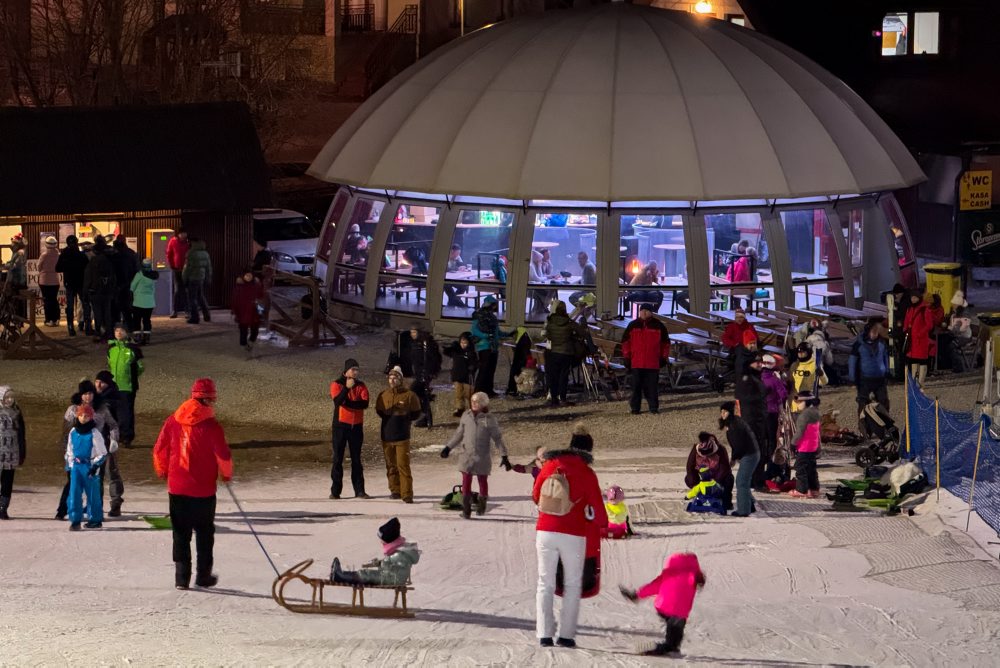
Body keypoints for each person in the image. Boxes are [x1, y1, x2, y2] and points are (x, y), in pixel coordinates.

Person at [152, 378, 233, 589]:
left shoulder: (172, 421)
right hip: (203, 489)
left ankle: (181, 578)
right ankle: (203, 575)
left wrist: (162, 469)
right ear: (206, 399)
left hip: (177, 486)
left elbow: (160, 448)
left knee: (180, 532)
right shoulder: (212, 427)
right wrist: (226, 475)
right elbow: (223, 455)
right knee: (204, 532)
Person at [532, 427, 607, 648]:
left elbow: (536, 495)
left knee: (544, 582)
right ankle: (566, 635)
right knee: (572, 584)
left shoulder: (549, 465)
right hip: (573, 533)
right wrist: (601, 524)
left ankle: (544, 634)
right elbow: (599, 512)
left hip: (545, 530)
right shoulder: (586, 472)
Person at [619, 553, 706, 656]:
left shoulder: (668, 574)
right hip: (680, 611)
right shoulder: (693, 575)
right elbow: (699, 579)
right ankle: (665, 647)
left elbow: (653, 586)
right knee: (676, 630)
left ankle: (671, 647)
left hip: (663, 608)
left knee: (674, 628)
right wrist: (700, 580)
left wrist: (637, 595)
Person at [56, 380, 120, 520]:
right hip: (77, 451)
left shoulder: (101, 408)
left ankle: (95, 509)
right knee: (72, 481)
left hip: (95, 451)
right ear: (80, 395)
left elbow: (113, 425)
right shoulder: (73, 409)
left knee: (96, 481)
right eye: (85, 394)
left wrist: (114, 439)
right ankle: (63, 509)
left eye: (90, 393)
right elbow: (66, 432)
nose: (88, 397)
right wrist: (66, 452)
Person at [441, 392, 510, 518]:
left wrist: (504, 455)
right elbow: (459, 434)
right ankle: (466, 509)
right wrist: (448, 447)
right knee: (466, 481)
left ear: (483, 404)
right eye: (472, 401)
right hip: (466, 455)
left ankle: (481, 505)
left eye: (477, 401)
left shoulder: (489, 419)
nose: (474, 403)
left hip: (482, 456)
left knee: (482, 480)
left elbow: (497, 438)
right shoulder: (466, 416)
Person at [375, 367, 422, 503]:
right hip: (387, 435)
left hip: (402, 436)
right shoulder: (383, 395)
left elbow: (416, 413)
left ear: (400, 379)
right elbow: (380, 412)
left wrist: (404, 419)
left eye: (395, 377)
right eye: (390, 378)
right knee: (390, 465)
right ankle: (395, 489)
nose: (392, 380)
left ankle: (406, 493)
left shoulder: (409, 395)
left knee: (403, 465)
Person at [330, 517, 420, 585]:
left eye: (382, 539)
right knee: (365, 573)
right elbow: (393, 565)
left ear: (389, 540)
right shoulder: (399, 552)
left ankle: (340, 577)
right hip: (391, 576)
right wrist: (380, 562)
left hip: (393, 579)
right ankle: (342, 574)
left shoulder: (400, 554)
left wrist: (383, 563)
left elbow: (395, 569)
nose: (380, 541)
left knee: (366, 574)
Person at [329, 358, 370, 500]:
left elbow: (364, 404)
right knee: (337, 459)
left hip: (356, 427)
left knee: (357, 460)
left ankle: (360, 490)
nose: (356, 372)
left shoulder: (361, 385)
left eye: (357, 369)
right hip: (340, 426)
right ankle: (335, 491)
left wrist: (349, 403)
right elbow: (338, 402)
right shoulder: (337, 384)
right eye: (353, 369)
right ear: (346, 371)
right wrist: (347, 388)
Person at [621, 303, 671, 415]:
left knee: (652, 387)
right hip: (637, 362)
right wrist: (627, 357)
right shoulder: (633, 325)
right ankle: (635, 408)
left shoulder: (659, 325)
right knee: (636, 387)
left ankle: (653, 408)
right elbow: (625, 342)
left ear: (651, 312)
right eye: (642, 310)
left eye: (646, 310)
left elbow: (666, 343)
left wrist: (664, 357)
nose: (644, 312)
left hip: (652, 362)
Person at [65, 404, 107, 531]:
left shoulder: (94, 433)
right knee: (74, 493)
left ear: (91, 417)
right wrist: (71, 464)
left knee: (93, 494)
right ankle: (75, 519)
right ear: (78, 416)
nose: (84, 418)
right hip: (77, 466)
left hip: (90, 466)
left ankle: (95, 519)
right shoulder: (73, 432)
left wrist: (95, 466)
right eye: (82, 415)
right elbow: (69, 450)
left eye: (87, 416)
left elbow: (102, 453)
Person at [734, 353, 769, 488]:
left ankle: (757, 479)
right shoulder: (746, 379)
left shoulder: (755, 377)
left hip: (758, 419)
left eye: (761, 362)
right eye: (757, 362)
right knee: (754, 451)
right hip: (751, 421)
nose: (760, 364)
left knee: (760, 450)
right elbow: (744, 399)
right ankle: (754, 480)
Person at [106, 322, 143, 448]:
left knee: (126, 413)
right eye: (116, 330)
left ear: (127, 333)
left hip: (127, 386)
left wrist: (130, 378)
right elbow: (109, 365)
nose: (119, 333)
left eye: (121, 330)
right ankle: (115, 436)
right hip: (113, 387)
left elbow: (140, 367)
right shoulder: (111, 349)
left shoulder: (133, 349)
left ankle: (126, 437)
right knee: (112, 412)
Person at [719, 401, 758, 517]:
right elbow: (737, 445)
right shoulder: (733, 423)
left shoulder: (734, 425)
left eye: (725, 411)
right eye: (721, 412)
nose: (722, 414)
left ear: (730, 412)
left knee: (741, 482)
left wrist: (733, 459)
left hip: (749, 454)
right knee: (744, 480)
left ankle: (744, 510)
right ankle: (750, 504)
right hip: (749, 453)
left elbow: (739, 445)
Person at [849, 321, 890, 431]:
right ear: (868, 332)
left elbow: (885, 357)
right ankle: (864, 428)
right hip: (864, 379)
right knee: (863, 404)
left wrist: (887, 371)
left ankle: (884, 426)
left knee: (883, 403)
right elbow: (853, 361)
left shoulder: (881, 343)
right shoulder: (859, 344)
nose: (875, 334)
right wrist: (852, 378)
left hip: (880, 379)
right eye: (873, 332)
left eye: (876, 332)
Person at [470, 296, 513, 396]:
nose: (495, 307)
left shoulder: (492, 317)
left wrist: (508, 334)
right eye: (493, 304)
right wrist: (486, 335)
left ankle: (488, 390)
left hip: (493, 347)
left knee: (491, 370)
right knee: (484, 370)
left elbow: (497, 332)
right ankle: (478, 391)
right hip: (484, 346)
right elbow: (475, 331)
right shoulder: (479, 316)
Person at [542, 300, 582, 408]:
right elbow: (581, 332)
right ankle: (563, 399)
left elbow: (546, 334)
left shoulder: (550, 321)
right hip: (566, 353)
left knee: (553, 376)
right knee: (563, 376)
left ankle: (554, 399)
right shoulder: (569, 322)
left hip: (553, 352)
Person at [402, 324, 441, 428]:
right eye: (411, 332)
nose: (412, 334)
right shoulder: (415, 343)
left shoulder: (426, 343)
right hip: (419, 373)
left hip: (425, 374)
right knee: (423, 395)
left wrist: (429, 372)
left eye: (414, 332)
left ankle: (426, 418)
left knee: (416, 392)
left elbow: (434, 359)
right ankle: (426, 419)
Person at [684, 432, 734, 510]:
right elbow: (690, 467)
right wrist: (694, 482)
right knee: (689, 479)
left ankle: (725, 502)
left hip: (717, 479)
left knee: (729, 479)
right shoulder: (695, 450)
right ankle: (701, 495)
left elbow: (725, 468)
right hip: (702, 478)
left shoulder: (720, 450)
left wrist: (716, 482)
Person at [82, 236, 117, 341]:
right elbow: (113, 277)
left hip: (95, 291)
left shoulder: (92, 263)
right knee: (107, 312)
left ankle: (98, 333)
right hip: (107, 291)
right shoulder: (109, 261)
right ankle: (109, 332)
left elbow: (88, 278)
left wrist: (85, 293)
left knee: (97, 313)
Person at [788, 392, 821, 499]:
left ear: (806, 401)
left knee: (800, 468)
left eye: (799, 402)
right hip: (813, 446)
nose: (797, 404)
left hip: (804, 447)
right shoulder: (816, 413)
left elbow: (799, 432)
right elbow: (817, 433)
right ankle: (814, 489)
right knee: (811, 469)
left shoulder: (804, 415)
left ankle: (801, 490)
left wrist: (793, 443)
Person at [761, 354, 788, 480]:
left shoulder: (758, 377)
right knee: (772, 439)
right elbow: (783, 394)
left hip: (759, 413)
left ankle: (761, 464)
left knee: (762, 439)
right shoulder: (774, 379)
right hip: (772, 412)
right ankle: (771, 465)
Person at [55, 234, 89, 336]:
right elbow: (87, 267)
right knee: (85, 304)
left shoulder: (64, 254)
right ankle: (87, 326)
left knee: (70, 306)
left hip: (69, 282)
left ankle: (70, 327)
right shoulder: (81, 255)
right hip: (81, 282)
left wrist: (67, 268)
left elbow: (57, 268)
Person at [0, 386, 25, 520]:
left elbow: (22, 434)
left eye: (11, 397)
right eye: (6, 397)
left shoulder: (16, 412)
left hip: (11, 452)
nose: (9, 399)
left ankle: (3, 508)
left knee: (7, 481)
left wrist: (22, 451)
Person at [443, 332, 478, 417]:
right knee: (458, 394)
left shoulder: (470, 352)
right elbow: (447, 352)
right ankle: (460, 409)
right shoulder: (456, 351)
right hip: (457, 376)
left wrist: (472, 367)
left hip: (467, 377)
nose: (463, 345)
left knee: (469, 394)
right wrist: (452, 347)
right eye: (461, 343)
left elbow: (475, 363)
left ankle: (473, 409)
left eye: (465, 343)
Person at [231, 268, 264, 355]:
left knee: (255, 330)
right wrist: (234, 311)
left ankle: (250, 342)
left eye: (250, 275)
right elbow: (235, 299)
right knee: (243, 329)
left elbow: (261, 298)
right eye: (246, 275)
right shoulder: (239, 286)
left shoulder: (257, 285)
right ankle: (243, 345)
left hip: (254, 312)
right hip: (243, 311)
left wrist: (261, 311)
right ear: (243, 276)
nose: (248, 277)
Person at [111, 235, 140, 326]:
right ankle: (129, 325)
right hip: (129, 283)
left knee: (117, 306)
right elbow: (137, 269)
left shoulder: (113, 255)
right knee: (127, 306)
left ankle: (117, 325)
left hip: (117, 284)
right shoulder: (131, 253)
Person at [127, 258, 158, 345]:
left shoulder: (139, 275)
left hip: (138, 302)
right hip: (150, 302)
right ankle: (146, 338)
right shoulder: (154, 276)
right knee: (147, 320)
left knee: (136, 320)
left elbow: (132, 286)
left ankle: (137, 337)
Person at [183, 237, 212, 324]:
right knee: (200, 296)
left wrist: (184, 278)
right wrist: (208, 277)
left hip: (193, 278)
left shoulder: (191, 253)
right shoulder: (205, 253)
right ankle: (207, 315)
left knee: (192, 298)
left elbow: (187, 268)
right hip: (201, 278)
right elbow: (209, 268)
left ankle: (195, 317)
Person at [166, 228, 190, 318]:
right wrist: (172, 265)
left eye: (185, 233)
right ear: (179, 234)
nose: (184, 235)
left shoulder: (188, 243)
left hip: (186, 270)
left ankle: (187, 311)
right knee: (177, 291)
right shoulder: (173, 241)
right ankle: (175, 311)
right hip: (176, 269)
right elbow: (169, 254)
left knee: (186, 291)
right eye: (183, 233)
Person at [2, 234, 28, 319]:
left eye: (13, 243)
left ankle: (18, 318)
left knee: (16, 300)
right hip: (16, 279)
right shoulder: (16, 253)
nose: (11, 245)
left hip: (17, 281)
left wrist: (7, 265)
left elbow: (15, 266)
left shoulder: (20, 253)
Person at [38, 236, 61, 326]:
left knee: (47, 300)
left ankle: (49, 320)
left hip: (45, 280)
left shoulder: (44, 255)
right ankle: (56, 319)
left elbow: (39, 267)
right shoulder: (58, 255)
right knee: (54, 300)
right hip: (55, 280)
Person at [529, 250, 556, 315]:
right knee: (549, 292)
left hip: (536, 287)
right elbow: (538, 279)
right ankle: (544, 307)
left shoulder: (535, 265)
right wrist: (547, 277)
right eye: (539, 259)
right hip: (530, 289)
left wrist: (538, 266)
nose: (540, 261)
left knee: (552, 291)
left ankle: (541, 309)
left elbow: (540, 276)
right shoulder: (531, 266)